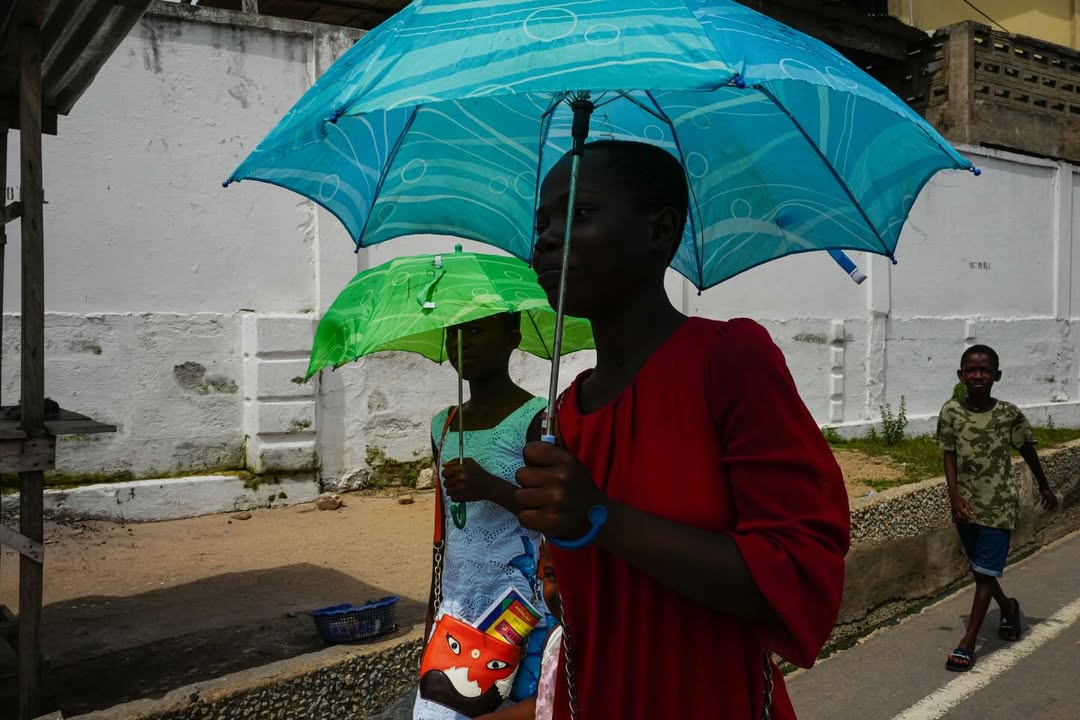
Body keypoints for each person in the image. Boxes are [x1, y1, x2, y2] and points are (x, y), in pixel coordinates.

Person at [516, 140, 851, 719]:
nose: (546, 238)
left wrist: (601, 517)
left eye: (581, 214)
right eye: (542, 223)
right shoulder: (564, 414)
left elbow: (800, 573)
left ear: (660, 230)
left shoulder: (728, 362)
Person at [415, 312, 554, 720]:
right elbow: (445, 535)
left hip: (520, 612)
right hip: (456, 608)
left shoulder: (537, 420)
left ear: (513, 337)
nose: (463, 342)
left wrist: (491, 487)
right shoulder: (444, 425)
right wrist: (431, 617)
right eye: (453, 332)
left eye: (475, 331)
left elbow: (555, 514)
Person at [937, 344, 1059, 672]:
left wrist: (1044, 485)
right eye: (972, 370)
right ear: (960, 375)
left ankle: (968, 643)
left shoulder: (1008, 413)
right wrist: (954, 496)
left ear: (997, 376)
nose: (978, 375)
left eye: (985, 370)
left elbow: (1028, 449)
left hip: (1000, 504)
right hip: (965, 504)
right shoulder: (951, 411)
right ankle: (1008, 607)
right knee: (982, 570)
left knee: (985, 573)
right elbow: (948, 453)